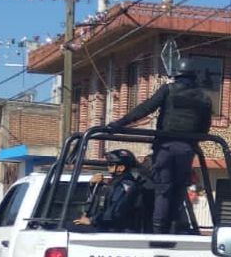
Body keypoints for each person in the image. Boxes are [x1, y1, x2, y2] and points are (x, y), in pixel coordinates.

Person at [103, 59, 213, 233]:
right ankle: (174, 229)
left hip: (166, 147)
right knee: (178, 190)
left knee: (163, 190)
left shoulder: (169, 90)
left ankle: (158, 232)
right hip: (187, 150)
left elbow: (145, 108)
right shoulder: (204, 98)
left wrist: (119, 124)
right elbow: (205, 128)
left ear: (176, 75)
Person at [74, 149, 144, 231]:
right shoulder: (113, 183)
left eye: (111, 164)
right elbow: (97, 205)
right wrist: (92, 185)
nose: (108, 167)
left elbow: (116, 212)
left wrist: (92, 221)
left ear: (121, 168)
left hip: (117, 233)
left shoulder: (126, 186)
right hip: (106, 228)